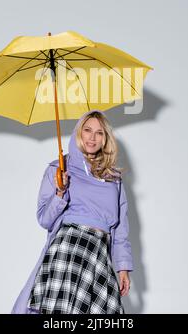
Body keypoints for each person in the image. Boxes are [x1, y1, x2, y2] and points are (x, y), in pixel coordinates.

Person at [11, 109, 133, 314]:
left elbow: (120, 226)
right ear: (78, 133)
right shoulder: (58, 168)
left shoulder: (113, 177)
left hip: (98, 253)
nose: (92, 137)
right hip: (68, 250)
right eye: (87, 130)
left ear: (106, 139)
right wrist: (60, 192)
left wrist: (123, 267)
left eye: (99, 132)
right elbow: (44, 219)